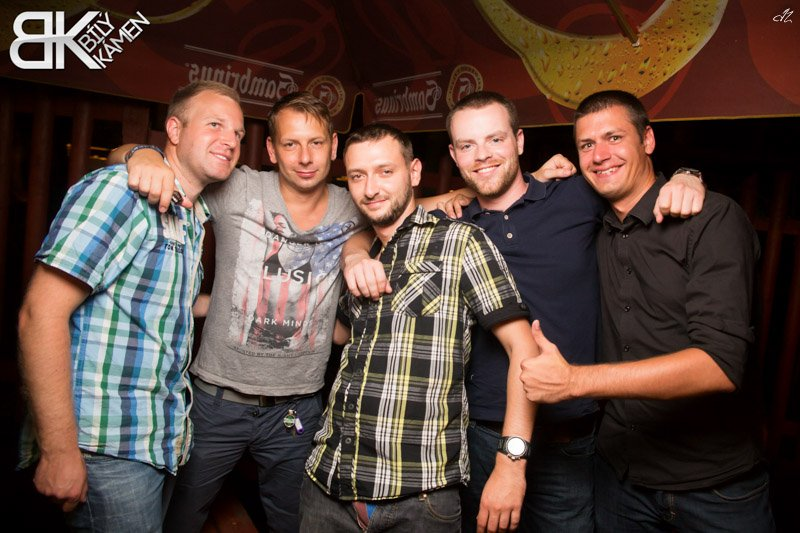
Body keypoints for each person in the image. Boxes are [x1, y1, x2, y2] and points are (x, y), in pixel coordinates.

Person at [113, 93, 572, 532]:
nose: (305, 157)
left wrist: (522, 178)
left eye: (316, 143)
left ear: (334, 148)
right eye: (291, 144)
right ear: (272, 150)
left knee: (286, 520)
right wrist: (142, 155)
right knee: (178, 516)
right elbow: (156, 166)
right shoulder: (250, 191)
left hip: (327, 429)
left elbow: (418, 206)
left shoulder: (416, 227)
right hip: (257, 424)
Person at [344, 91, 705, 533]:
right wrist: (354, 253)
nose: (482, 155)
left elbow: (634, 182)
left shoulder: (577, 195)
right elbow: (381, 214)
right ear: (454, 155)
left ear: (518, 140)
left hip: (567, 437)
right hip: (480, 435)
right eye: (468, 145)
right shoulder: (453, 224)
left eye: (494, 140)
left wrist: (687, 175)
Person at [520, 89, 775, 531]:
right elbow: (493, 199)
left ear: (648, 140)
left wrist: (575, 381)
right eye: (586, 144)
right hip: (621, 480)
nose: (600, 155)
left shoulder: (710, 219)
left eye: (614, 138)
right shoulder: (588, 224)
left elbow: (720, 365)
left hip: (715, 487)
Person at [16, 80, 244, 531]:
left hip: (154, 441)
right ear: (174, 129)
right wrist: (59, 451)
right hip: (103, 445)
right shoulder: (121, 191)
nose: (231, 140)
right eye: (215, 125)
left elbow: (157, 306)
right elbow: (39, 314)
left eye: (237, 133)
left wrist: (242, 308)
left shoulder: (189, 214)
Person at [301, 123, 540, 532]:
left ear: (414, 172)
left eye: (385, 171)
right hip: (328, 483)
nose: (370, 188)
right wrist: (348, 257)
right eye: (357, 176)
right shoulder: (362, 252)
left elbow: (524, 349)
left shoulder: (460, 242)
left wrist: (511, 465)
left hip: (419, 496)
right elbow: (341, 337)